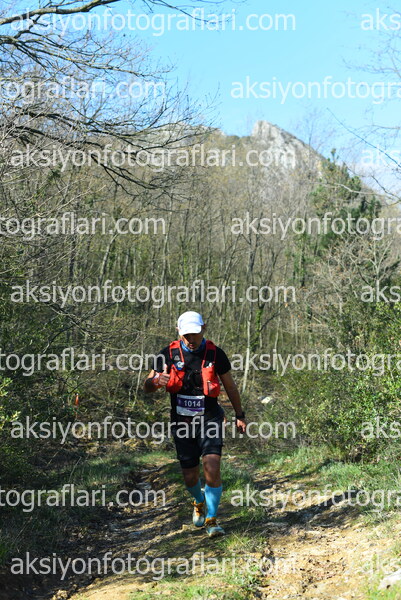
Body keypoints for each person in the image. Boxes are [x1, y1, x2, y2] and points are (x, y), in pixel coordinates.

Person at [144, 311, 246, 538]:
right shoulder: (166, 355)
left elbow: (230, 386)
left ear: (204, 329)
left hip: (210, 418)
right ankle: (198, 501)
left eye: (195, 333)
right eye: (186, 334)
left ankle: (212, 519)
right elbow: (146, 386)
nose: (191, 339)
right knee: (190, 476)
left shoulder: (216, 354)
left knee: (212, 466)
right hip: (182, 422)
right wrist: (155, 381)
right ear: (179, 332)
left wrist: (240, 414)